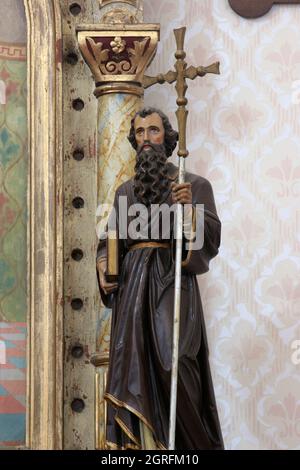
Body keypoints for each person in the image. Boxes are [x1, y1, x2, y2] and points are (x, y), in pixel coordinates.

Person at [96, 107, 224, 450]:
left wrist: (190, 209)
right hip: (134, 289)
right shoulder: (125, 192)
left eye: (153, 131)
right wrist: (105, 265)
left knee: (176, 362)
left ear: (167, 138)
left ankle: (192, 448)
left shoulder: (193, 185)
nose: (146, 139)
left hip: (172, 282)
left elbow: (209, 241)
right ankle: (146, 447)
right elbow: (109, 240)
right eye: (139, 133)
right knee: (133, 368)